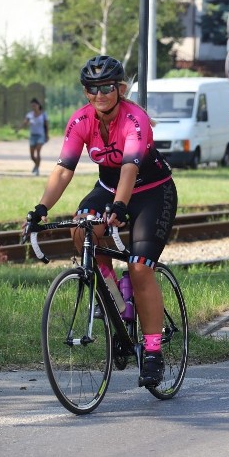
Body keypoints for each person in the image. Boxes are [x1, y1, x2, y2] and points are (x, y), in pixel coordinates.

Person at [25, 55, 178, 388]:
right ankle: (114, 294)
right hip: (109, 187)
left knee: (140, 268)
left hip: (152, 193)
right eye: (93, 88)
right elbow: (64, 169)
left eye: (107, 87)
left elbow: (129, 168)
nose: (100, 94)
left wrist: (120, 207)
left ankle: (152, 353)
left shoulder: (135, 119)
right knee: (81, 229)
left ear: (120, 88)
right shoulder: (81, 120)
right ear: (85, 91)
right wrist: (41, 207)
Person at [21, 98, 49, 175]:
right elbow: (25, 123)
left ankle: (37, 169)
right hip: (32, 136)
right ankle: (36, 165)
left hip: (41, 135)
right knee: (32, 155)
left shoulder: (43, 114)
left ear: (38, 105)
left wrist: (47, 135)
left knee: (38, 151)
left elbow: (46, 125)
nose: (33, 107)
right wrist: (21, 126)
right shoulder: (29, 115)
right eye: (32, 106)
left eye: (34, 105)